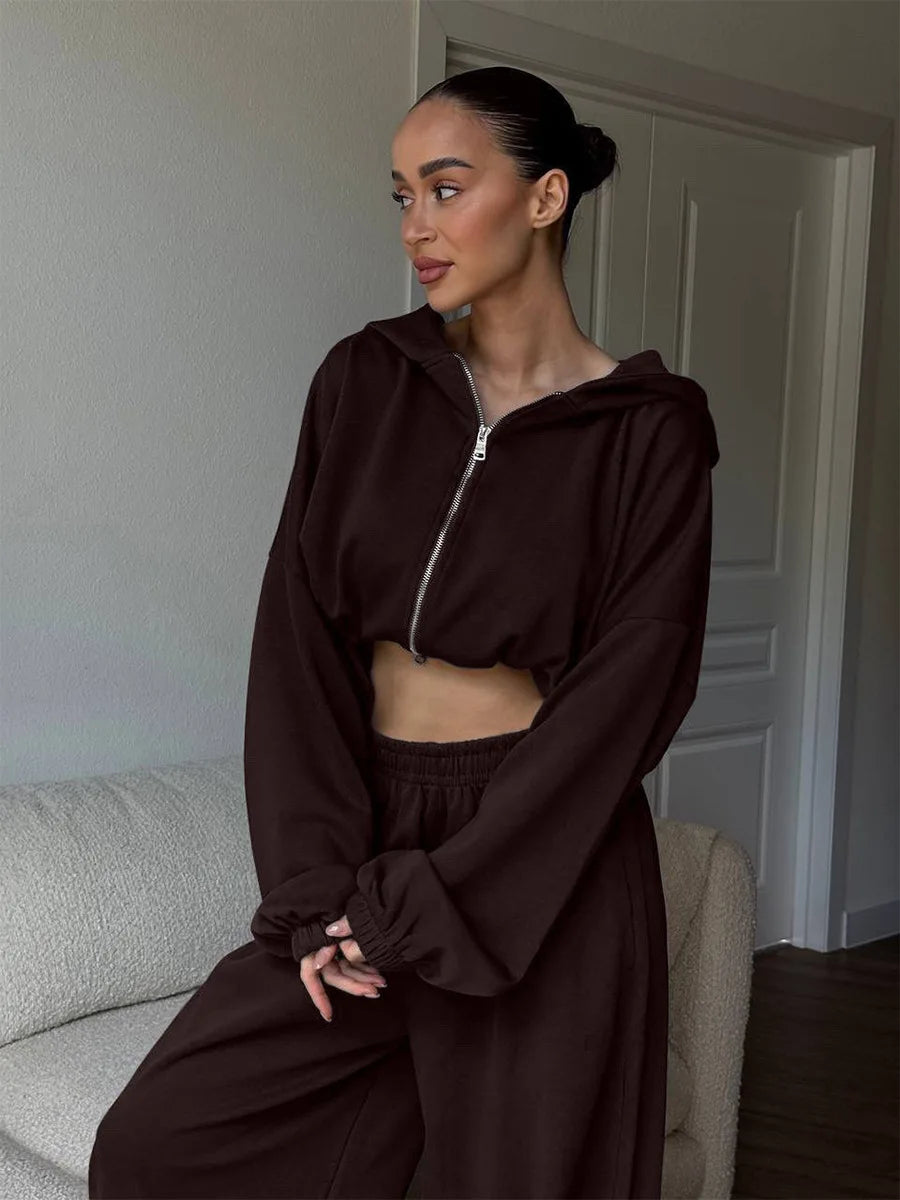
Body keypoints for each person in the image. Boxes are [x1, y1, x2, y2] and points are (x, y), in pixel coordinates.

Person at [88, 64, 719, 1199]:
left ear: (546, 197)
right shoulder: (365, 381)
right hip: (370, 824)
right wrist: (319, 890)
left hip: (539, 855)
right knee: (160, 1142)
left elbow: (630, 691)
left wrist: (435, 902)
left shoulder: (649, 432)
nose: (415, 227)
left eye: (445, 188)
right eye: (401, 195)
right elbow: (297, 645)